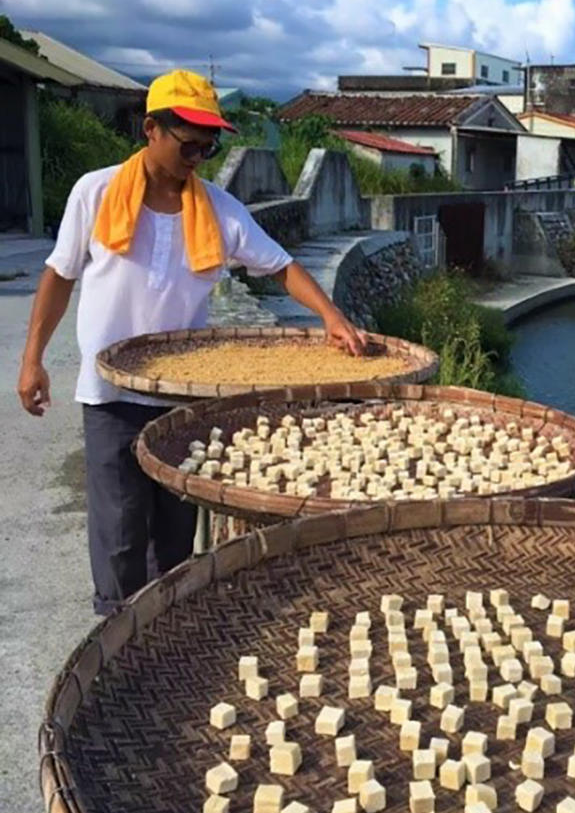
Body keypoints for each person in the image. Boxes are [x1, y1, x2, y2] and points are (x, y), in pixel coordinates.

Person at [17, 69, 365, 616]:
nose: (198, 157)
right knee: (119, 538)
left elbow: (280, 266)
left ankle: (161, 639)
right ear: (150, 129)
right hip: (109, 397)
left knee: (174, 540)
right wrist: (32, 358)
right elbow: (59, 275)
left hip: (183, 404)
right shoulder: (97, 192)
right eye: (189, 144)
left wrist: (331, 316)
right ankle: (115, 642)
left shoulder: (219, 211)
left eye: (208, 146)